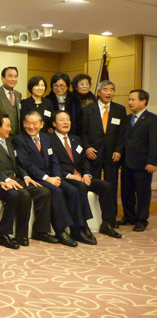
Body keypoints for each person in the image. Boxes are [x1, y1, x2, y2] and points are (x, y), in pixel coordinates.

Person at [12, 111, 80, 247]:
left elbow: (54, 159)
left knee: (72, 190)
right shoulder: (19, 140)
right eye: (28, 123)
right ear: (24, 124)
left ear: (42, 124)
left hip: (51, 176)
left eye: (35, 123)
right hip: (34, 177)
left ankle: (77, 228)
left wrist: (57, 176)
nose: (31, 126)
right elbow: (26, 164)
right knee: (56, 191)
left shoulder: (46, 138)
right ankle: (60, 231)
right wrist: (47, 178)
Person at [0, 114, 53, 246]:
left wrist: (26, 176)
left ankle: (40, 231)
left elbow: (17, 163)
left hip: (16, 178)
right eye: (7, 126)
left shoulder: (8, 142)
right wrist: (5, 179)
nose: (10, 129)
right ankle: (9, 234)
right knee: (23, 194)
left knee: (43, 192)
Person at [51, 110, 111, 241]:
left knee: (106, 186)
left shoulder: (76, 139)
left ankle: (107, 223)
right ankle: (83, 226)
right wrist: (68, 175)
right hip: (66, 178)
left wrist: (87, 174)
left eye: (67, 119)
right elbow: (52, 164)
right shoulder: (49, 140)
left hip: (81, 177)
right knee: (80, 187)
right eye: (61, 120)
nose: (66, 122)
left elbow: (85, 160)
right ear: (54, 123)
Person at [82, 80, 126, 230]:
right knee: (94, 185)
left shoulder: (120, 110)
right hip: (94, 153)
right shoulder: (88, 110)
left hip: (112, 154)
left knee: (111, 186)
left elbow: (122, 134)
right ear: (98, 92)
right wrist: (87, 148)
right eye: (105, 89)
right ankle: (93, 218)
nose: (109, 93)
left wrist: (119, 150)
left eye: (112, 90)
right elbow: (83, 133)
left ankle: (110, 219)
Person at [119, 89, 157, 232]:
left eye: (133, 99)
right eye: (129, 99)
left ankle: (141, 220)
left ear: (143, 101)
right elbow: (123, 139)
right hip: (127, 162)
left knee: (142, 193)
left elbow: (154, 143)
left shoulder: (152, 119)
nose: (130, 102)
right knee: (126, 191)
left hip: (143, 164)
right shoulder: (128, 118)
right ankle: (129, 216)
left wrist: (153, 162)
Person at [0, 66, 22, 137]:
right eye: (10, 76)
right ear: (2, 78)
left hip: (17, 134)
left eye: (15, 76)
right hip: (1, 133)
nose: (13, 79)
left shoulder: (18, 95)